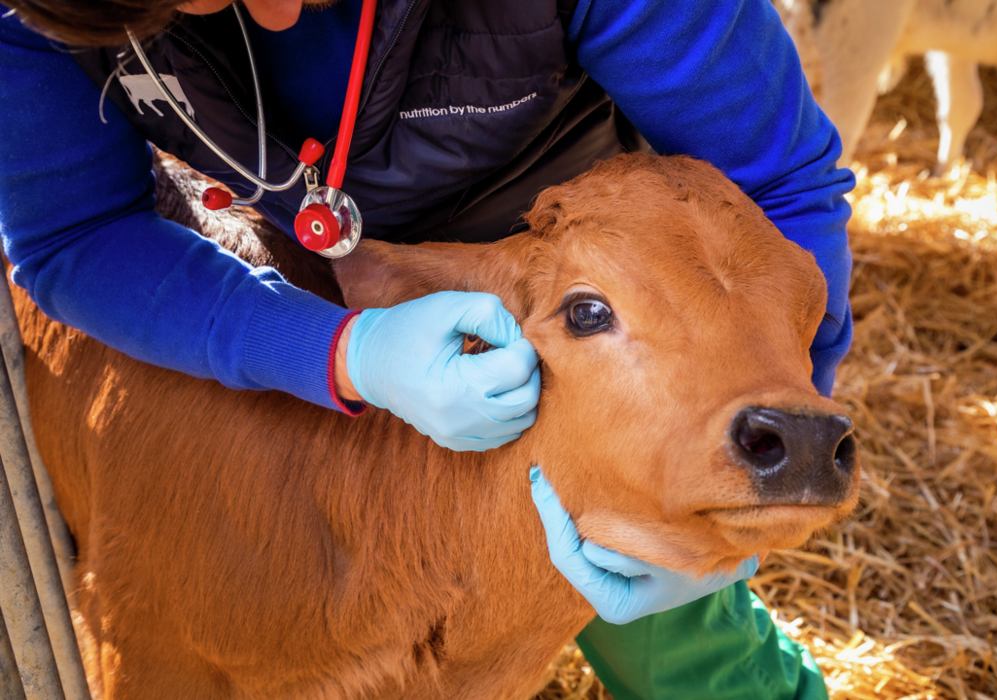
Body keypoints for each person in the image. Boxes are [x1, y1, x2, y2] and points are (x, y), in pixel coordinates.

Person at [0, 0, 854, 697]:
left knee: (663, 625)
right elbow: (76, 229)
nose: (272, 11)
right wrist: (341, 351)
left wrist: (768, 411)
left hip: (610, 282)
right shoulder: (37, 12)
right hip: (292, 278)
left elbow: (779, 181)